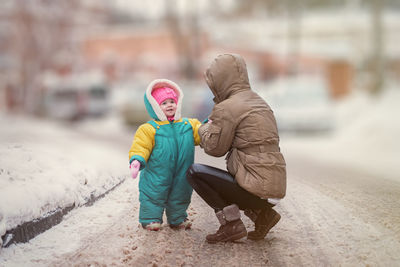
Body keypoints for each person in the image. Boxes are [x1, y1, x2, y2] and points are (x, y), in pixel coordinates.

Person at [186, 54, 287, 243]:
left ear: (220, 81)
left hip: (256, 189)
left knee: (195, 172)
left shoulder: (228, 107)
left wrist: (204, 127)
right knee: (240, 175)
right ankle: (262, 215)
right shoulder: (259, 102)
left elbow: (214, 149)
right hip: (274, 188)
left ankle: (231, 224)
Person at [129, 79, 202, 231]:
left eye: (172, 101)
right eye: (163, 103)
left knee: (181, 193)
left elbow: (202, 133)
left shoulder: (188, 125)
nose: (169, 105)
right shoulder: (149, 129)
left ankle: (178, 218)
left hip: (182, 171)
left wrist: (210, 127)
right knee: (153, 194)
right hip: (157, 173)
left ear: (178, 103)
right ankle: (150, 219)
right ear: (155, 107)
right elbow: (141, 146)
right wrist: (137, 160)